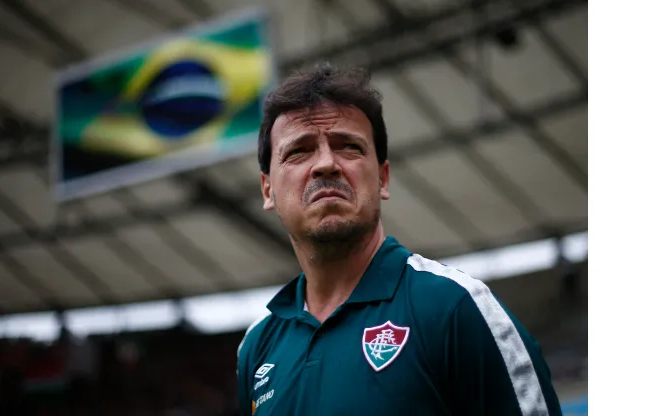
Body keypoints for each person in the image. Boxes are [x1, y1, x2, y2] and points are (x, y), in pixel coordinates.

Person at [236, 63, 562, 416]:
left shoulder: (454, 306)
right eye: (299, 151)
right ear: (267, 189)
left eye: (348, 147)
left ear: (382, 178)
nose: (326, 164)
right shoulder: (256, 346)